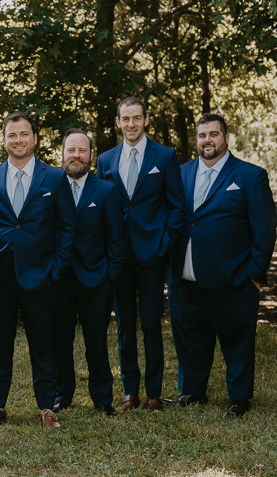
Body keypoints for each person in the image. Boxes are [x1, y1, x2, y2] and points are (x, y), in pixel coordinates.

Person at [167, 113, 277, 417]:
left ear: (226, 138)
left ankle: (239, 398)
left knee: (237, 342)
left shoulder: (250, 176)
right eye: (202, 135)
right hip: (185, 280)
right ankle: (193, 391)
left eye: (213, 134)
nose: (207, 141)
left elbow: (265, 229)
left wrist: (255, 273)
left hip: (233, 279)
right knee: (191, 340)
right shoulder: (180, 173)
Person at [0, 112, 75, 430]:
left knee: (43, 343)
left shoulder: (55, 178)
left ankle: (47, 408)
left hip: (41, 273)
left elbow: (68, 227)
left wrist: (56, 268)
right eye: (12, 135)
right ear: (4, 140)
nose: (18, 140)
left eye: (24, 134)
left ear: (35, 138)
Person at [96, 97, 185, 412]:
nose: (131, 124)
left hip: (152, 253)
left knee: (150, 323)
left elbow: (177, 206)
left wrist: (164, 243)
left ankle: (153, 394)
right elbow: (103, 207)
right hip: (117, 255)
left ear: (146, 120)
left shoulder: (165, 156)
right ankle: (129, 392)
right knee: (123, 325)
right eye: (125, 118)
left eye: (137, 118)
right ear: (118, 122)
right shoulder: (105, 160)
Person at [53, 128, 126, 418]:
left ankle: (103, 399)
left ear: (91, 155)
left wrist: (109, 274)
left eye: (82, 150)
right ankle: (62, 395)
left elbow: (117, 240)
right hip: (59, 280)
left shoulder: (106, 191)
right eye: (71, 150)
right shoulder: (50, 187)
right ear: (62, 154)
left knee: (97, 342)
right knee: (60, 341)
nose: (76, 155)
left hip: (96, 280)